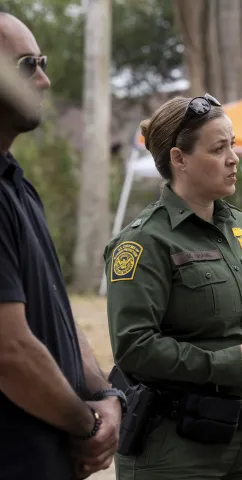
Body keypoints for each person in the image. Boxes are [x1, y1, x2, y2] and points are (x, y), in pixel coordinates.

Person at [105, 93, 242, 480]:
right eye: (218, 148)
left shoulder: (241, 226)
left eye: (233, 145)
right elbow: (134, 347)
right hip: (175, 450)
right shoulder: (144, 242)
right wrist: (229, 365)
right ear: (179, 159)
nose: (233, 158)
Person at [0, 8, 123, 480]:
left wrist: (104, 395)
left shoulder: (15, 184)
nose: (45, 80)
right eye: (28, 65)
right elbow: (9, 350)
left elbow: (54, 310)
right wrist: (86, 423)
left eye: (43, 62)